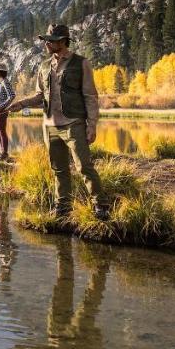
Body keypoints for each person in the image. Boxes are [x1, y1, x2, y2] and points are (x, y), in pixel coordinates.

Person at [14, 23, 110, 220]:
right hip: (50, 126)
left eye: (50, 40)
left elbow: (90, 96)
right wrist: (21, 103)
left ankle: (101, 205)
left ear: (62, 41)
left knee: (84, 166)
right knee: (58, 169)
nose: (46, 44)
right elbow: (40, 95)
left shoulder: (81, 63)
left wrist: (91, 125)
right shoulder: (43, 66)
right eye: (46, 40)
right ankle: (63, 207)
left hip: (74, 123)